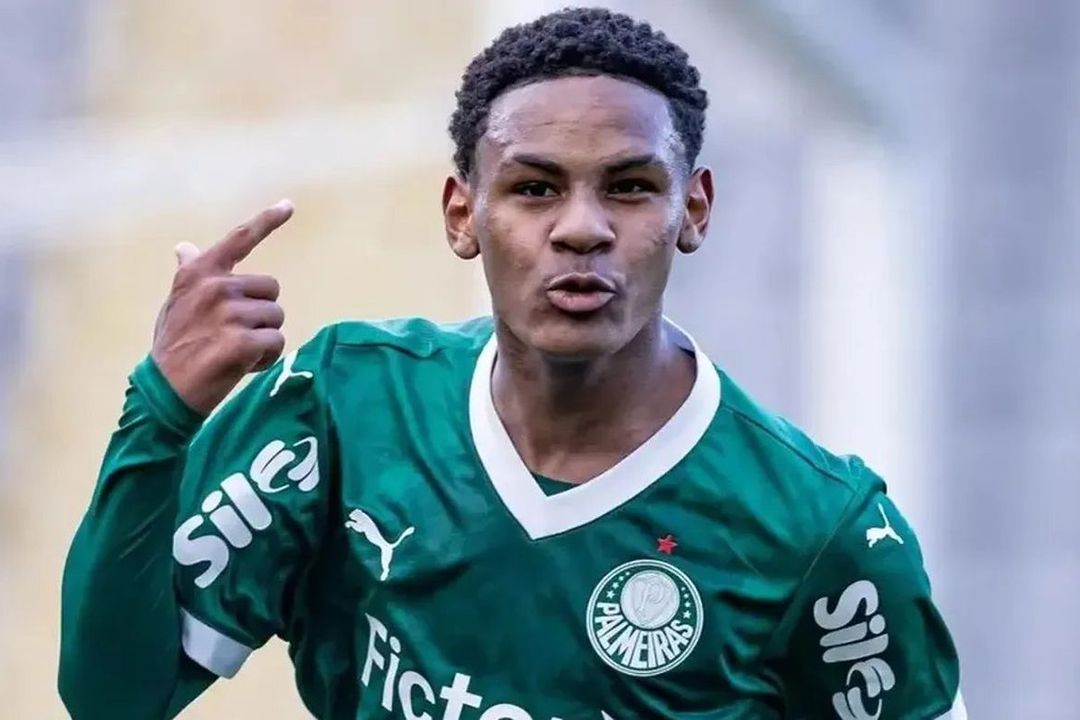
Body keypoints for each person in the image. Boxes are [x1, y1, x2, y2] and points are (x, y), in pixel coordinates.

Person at [58, 7, 965, 719]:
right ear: (464, 214)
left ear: (692, 210)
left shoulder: (819, 529)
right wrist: (162, 414)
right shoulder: (344, 407)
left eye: (630, 187)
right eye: (535, 188)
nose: (582, 228)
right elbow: (113, 700)